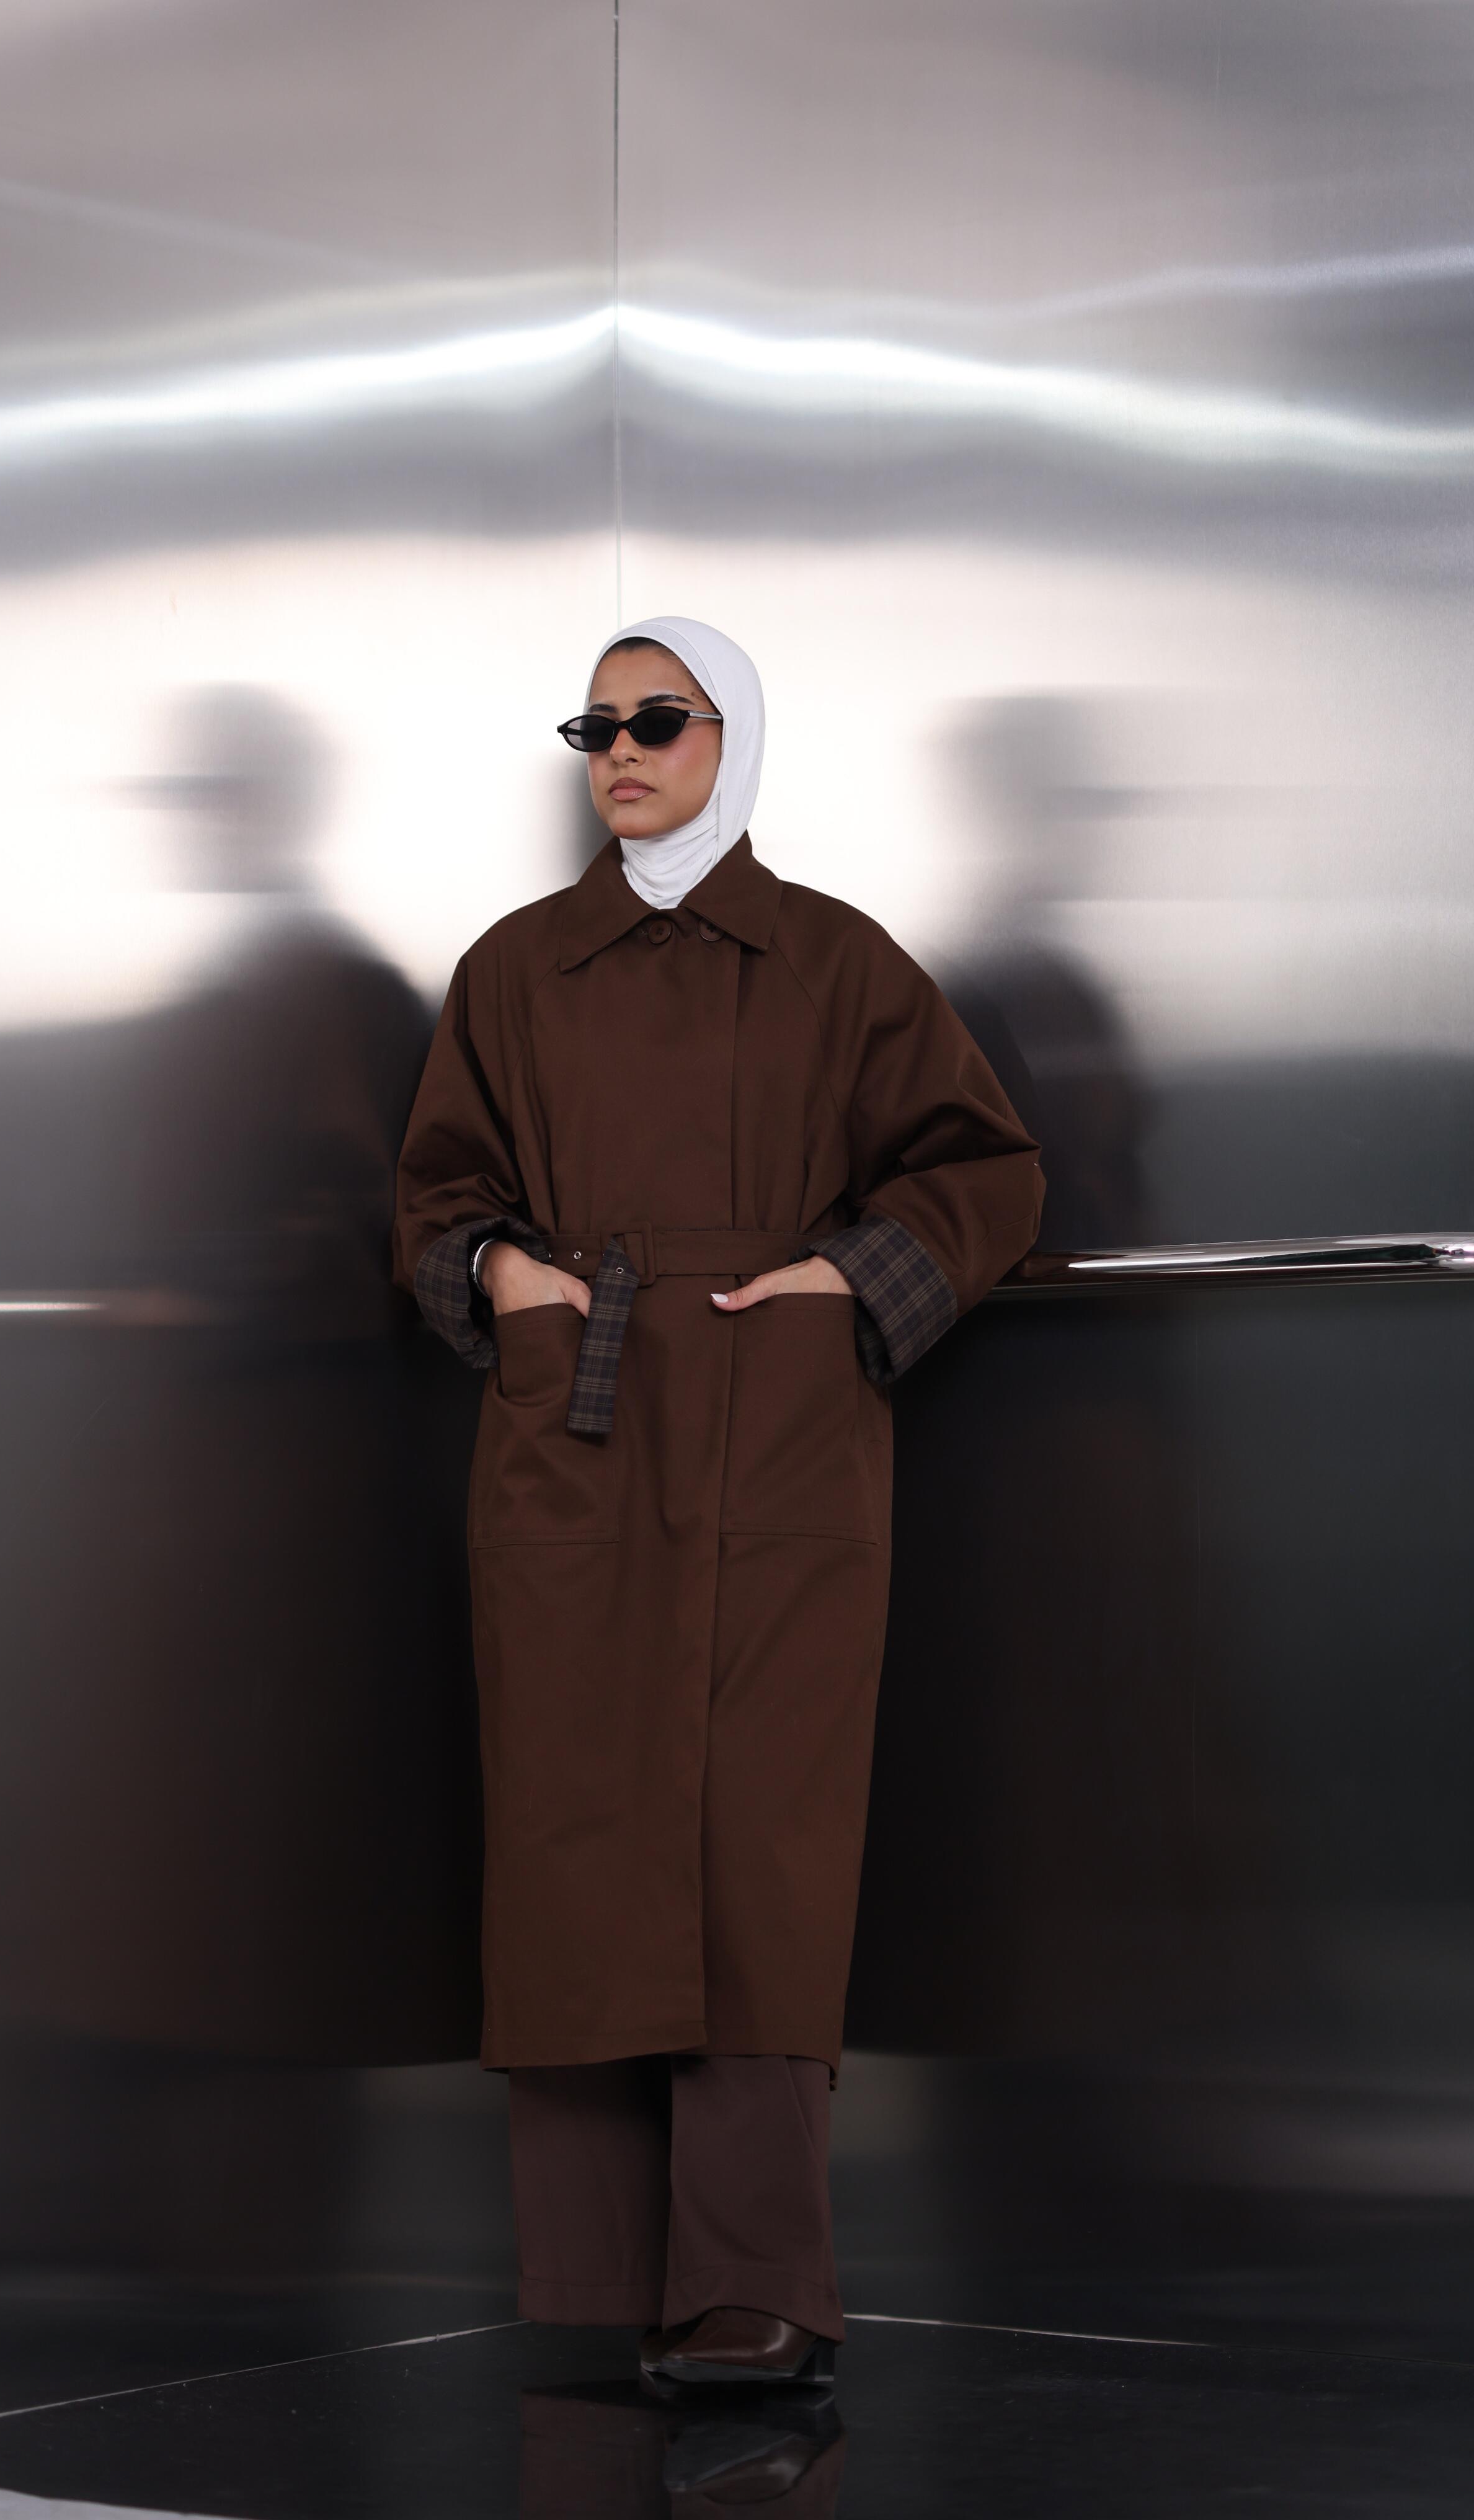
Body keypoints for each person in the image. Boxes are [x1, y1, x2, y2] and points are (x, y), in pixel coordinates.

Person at [393, 617, 1043, 2385]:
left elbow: (985, 1164)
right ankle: (593, 2283)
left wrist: (849, 1283)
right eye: (594, 725)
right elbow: (436, 1195)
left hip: (779, 1436)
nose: (620, 749)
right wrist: (507, 1281)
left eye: (658, 719)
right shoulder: (515, 969)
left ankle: (755, 2284)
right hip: (580, 1433)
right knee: (575, 1824)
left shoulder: (835, 960)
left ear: (729, 738)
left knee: (764, 1837)